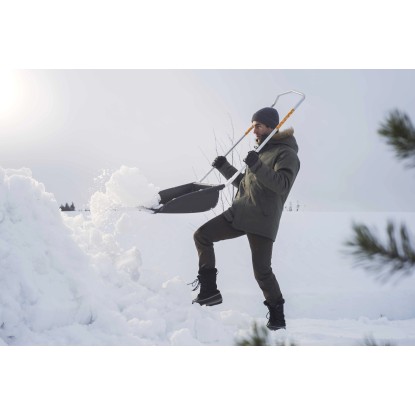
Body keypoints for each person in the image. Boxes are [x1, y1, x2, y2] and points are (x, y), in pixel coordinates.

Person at [190, 107, 300, 330]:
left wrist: (256, 165)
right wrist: (224, 167)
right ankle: (209, 292)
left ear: (271, 127)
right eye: (253, 126)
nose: (254, 131)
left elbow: (282, 185)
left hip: (262, 219)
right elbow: (246, 184)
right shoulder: (261, 151)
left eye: (258, 126)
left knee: (262, 271)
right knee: (202, 235)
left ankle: (277, 318)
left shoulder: (286, 154)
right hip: (240, 211)